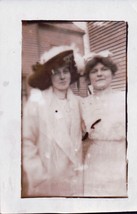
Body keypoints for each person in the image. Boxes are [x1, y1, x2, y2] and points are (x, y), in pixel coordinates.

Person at [22, 45, 85, 197]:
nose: (62, 77)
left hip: (75, 178)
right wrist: (38, 176)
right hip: (48, 180)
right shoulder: (37, 103)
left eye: (65, 71)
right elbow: (26, 141)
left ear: (71, 74)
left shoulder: (78, 103)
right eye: (56, 73)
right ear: (49, 77)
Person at [80, 50, 127, 197]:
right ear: (89, 77)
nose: (99, 74)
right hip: (95, 159)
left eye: (104, 69)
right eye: (94, 71)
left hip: (119, 156)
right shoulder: (83, 104)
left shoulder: (124, 98)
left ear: (112, 74)